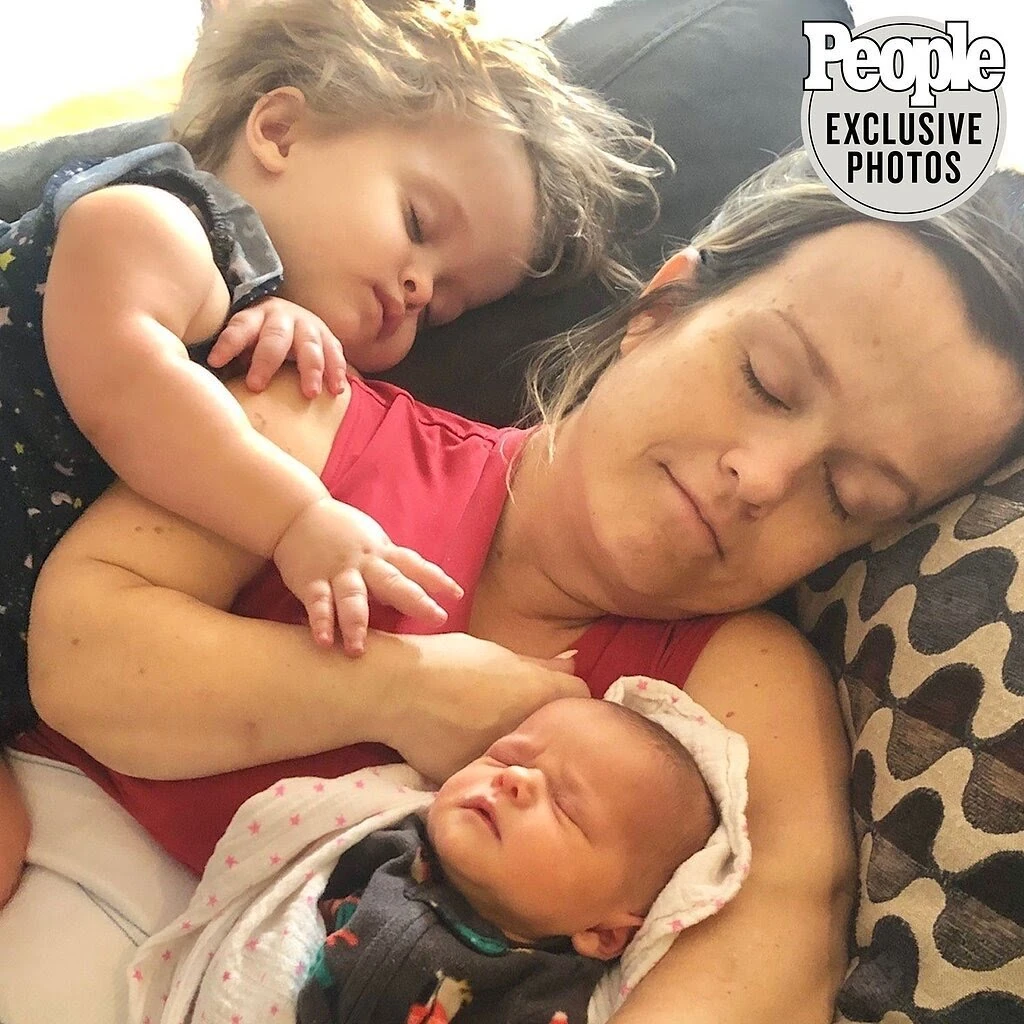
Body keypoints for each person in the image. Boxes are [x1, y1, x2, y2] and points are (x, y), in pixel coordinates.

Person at [19, 150, 1024, 1023]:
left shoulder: (746, 683)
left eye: (847, 496)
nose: (761, 479)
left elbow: (770, 960)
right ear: (661, 308)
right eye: (766, 380)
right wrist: (401, 690)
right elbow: (77, 656)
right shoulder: (311, 424)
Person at [0, 0, 659, 905]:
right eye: (419, 223)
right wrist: (296, 517)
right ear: (279, 130)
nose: (420, 287)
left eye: (446, 305)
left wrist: (278, 313)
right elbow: (126, 389)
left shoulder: (254, 315)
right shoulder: (149, 219)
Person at [296, 697, 718, 1024]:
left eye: (564, 806)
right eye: (508, 757)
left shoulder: (537, 1001)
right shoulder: (387, 845)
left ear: (602, 934)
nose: (514, 777)